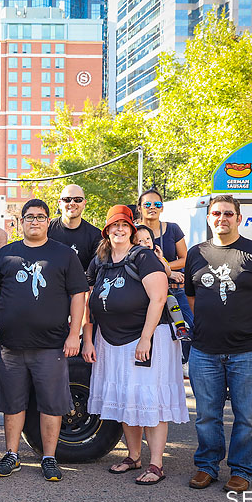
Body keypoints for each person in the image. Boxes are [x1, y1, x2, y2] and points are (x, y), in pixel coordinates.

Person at [185, 195, 252, 493]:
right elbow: (192, 297)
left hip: (248, 352)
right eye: (216, 213)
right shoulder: (196, 254)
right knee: (206, 415)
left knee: (248, 416)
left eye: (228, 214)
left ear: (239, 218)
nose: (221, 218)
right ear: (208, 218)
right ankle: (207, 466)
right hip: (204, 350)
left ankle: (241, 470)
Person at [0, 199, 87, 482]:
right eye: (29, 217)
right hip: (10, 346)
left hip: (51, 346)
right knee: (12, 403)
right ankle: (12, 455)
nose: (35, 222)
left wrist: (74, 332)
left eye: (40, 217)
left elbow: (79, 294)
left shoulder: (64, 255)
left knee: (51, 404)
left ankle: (49, 458)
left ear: (48, 221)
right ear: (21, 222)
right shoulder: (6, 254)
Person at [82, 205, 188, 486]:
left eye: (124, 226)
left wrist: (145, 338)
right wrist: (88, 335)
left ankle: (156, 464)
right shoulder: (100, 261)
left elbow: (159, 298)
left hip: (146, 339)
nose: (118, 230)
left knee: (149, 399)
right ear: (106, 231)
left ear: (131, 229)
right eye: (113, 226)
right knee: (127, 399)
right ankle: (133, 456)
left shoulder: (143, 257)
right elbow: (87, 300)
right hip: (111, 340)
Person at [137, 188, 194, 360]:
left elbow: (185, 259)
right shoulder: (133, 230)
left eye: (157, 204)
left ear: (162, 208)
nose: (152, 207)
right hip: (143, 291)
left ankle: (184, 363)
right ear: (139, 208)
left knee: (189, 326)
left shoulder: (173, 229)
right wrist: (169, 272)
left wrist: (166, 266)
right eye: (147, 204)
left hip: (175, 290)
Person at [47, 184, 101, 271]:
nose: (72, 203)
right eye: (67, 199)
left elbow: (95, 272)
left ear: (84, 203)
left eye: (77, 200)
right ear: (60, 203)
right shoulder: (46, 230)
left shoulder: (95, 236)